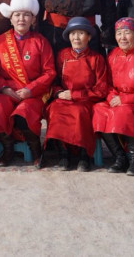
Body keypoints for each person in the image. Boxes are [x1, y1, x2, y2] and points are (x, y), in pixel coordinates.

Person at [0, 0, 55, 167]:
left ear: (33, 19)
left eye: (26, 15)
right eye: (17, 15)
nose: (21, 19)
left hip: (33, 93)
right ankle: (7, 148)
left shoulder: (41, 42)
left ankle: (36, 150)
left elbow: (50, 72)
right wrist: (3, 88)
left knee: (24, 113)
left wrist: (31, 89)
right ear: (11, 18)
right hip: (7, 91)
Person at [93, 17, 134, 176]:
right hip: (118, 100)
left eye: (127, 33)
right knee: (98, 110)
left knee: (124, 111)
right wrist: (112, 97)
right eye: (119, 33)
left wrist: (125, 99)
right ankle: (120, 157)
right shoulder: (112, 55)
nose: (122, 37)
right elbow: (107, 84)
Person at [45, 17, 108, 172]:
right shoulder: (62, 55)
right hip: (64, 99)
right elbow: (54, 81)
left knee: (79, 112)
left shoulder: (97, 58)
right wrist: (59, 93)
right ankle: (63, 153)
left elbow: (101, 89)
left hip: (86, 99)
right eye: (73, 33)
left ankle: (84, 154)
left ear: (89, 37)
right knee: (54, 110)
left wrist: (75, 95)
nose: (76, 37)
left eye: (81, 33)